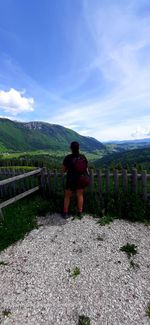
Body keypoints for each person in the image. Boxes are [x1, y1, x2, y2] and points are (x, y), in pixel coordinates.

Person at [61, 141, 89, 219]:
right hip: (80, 179)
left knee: (67, 196)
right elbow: (86, 168)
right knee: (79, 195)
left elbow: (63, 170)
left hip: (70, 179)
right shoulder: (83, 157)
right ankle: (80, 212)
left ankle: (65, 213)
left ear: (71, 148)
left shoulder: (67, 158)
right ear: (78, 148)